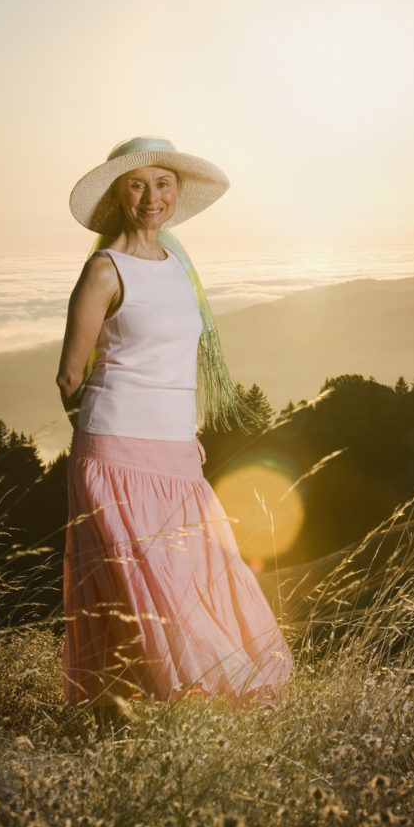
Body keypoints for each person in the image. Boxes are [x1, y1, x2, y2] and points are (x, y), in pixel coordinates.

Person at [57, 135, 293, 723]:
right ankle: (142, 712)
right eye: (138, 185)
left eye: (163, 183)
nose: (152, 196)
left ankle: (181, 708)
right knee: (137, 589)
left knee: (192, 577)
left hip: (178, 459)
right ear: (119, 195)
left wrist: (181, 435)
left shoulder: (181, 268)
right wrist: (105, 439)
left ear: (177, 192)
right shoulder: (104, 270)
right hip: (114, 456)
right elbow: (68, 377)